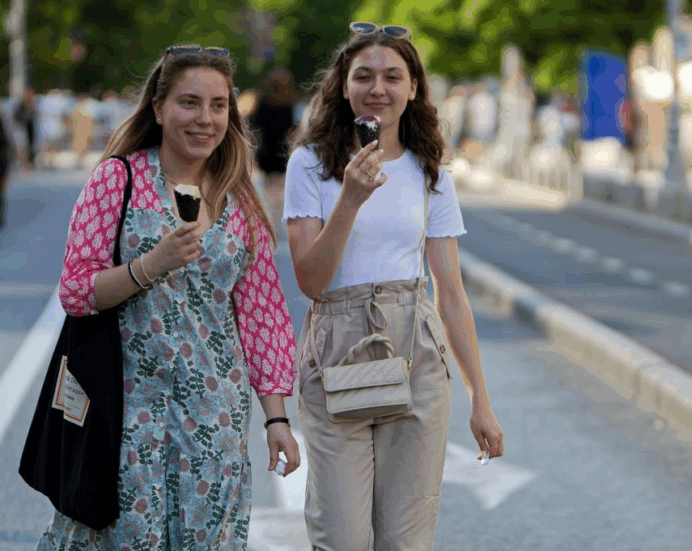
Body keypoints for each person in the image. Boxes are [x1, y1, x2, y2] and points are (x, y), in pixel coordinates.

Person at [36, 43, 300, 550]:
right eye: (189, 102)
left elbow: (262, 316)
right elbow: (76, 290)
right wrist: (148, 266)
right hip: (124, 411)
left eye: (218, 105)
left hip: (215, 417)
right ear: (158, 108)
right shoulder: (118, 180)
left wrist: (277, 418)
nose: (205, 118)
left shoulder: (240, 199)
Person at [283, 22, 504, 550]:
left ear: (413, 88)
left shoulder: (430, 173)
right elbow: (311, 281)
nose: (377, 88)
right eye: (363, 76)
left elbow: (450, 292)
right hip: (337, 348)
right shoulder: (309, 165)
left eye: (392, 77)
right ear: (343, 87)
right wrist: (350, 198)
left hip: (415, 348)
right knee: (341, 538)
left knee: (407, 541)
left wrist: (480, 399)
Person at [249, 66, 298, 236]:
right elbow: (292, 131)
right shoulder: (289, 104)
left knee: (269, 188)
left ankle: (270, 221)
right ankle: (276, 220)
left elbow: (255, 129)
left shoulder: (262, 103)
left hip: (266, 151)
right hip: (281, 152)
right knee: (279, 188)